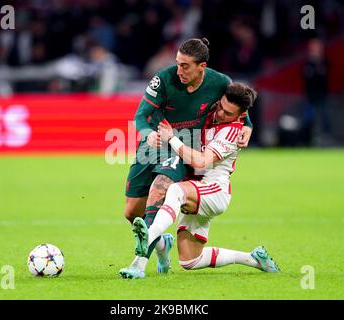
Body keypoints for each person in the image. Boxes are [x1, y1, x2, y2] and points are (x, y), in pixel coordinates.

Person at [120, 38, 254, 278]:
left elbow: (237, 103)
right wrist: (148, 134)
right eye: (177, 64)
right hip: (153, 141)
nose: (179, 70)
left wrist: (249, 127)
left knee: (159, 191)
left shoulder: (220, 81)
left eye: (185, 66)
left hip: (183, 145)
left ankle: (138, 265)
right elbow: (141, 116)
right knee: (131, 212)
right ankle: (162, 245)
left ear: (201, 66)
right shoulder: (163, 78)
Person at [121, 83, 280, 279]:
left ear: (241, 116)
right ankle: (254, 259)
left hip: (213, 191)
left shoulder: (232, 133)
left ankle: (150, 237)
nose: (220, 113)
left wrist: (172, 138)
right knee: (190, 260)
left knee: (175, 191)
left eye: (227, 113)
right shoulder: (213, 112)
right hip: (196, 189)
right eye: (220, 106)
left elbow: (201, 161)